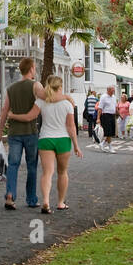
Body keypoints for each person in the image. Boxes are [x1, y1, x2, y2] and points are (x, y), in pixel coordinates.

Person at [11, 74, 81, 212]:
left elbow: (29, 117)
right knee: (62, 172)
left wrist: (13, 115)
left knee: (47, 173)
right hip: (63, 139)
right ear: (60, 87)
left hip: (45, 139)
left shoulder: (41, 102)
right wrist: (76, 146)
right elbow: (71, 126)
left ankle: (46, 201)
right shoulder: (67, 103)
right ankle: (60, 202)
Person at [0, 57, 40, 210]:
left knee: (13, 165)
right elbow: (44, 101)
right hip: (30, 132)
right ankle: (32, 199)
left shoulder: (11, 88)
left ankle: (10, 195)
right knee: (32, 166)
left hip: (14, 132)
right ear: (32, 68)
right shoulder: (36, 86)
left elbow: (4, 111)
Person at [98, 85, 117, 150]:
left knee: (111, 132)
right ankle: (110, 147)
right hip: (106, 115)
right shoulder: (103, 97)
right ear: (108, 90)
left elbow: (115, 107)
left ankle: (102, 143)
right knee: (108, 132)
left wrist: (118, 114)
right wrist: (98, 118)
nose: (113, 91)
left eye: (114, 90)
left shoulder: (114, 97)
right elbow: (100, 108)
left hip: (112, 115)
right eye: (112, 90)